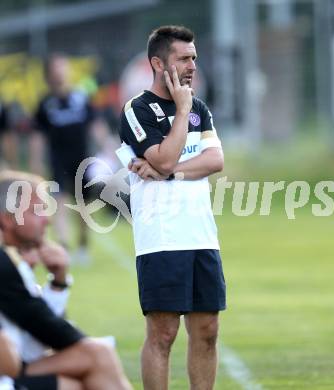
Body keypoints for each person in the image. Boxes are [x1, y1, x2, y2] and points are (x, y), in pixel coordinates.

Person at [119, 25, 226, 389]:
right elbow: (161, 159)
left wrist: (172, 175)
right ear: (158, 63)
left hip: (201, 235)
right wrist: (180, 112)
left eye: (194, 57)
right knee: (163, 334)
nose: (192, 65)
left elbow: (214, 160)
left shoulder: (199, 107)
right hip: (161, 238)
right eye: (183, 58)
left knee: (207, 330)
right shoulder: (137, 109)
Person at [0, 170, 132, 390]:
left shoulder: (11, 260)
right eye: (37, 211)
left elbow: (38, 331)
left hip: (13, 367)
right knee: (97, 355)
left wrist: (57, 282)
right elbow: (49, 335)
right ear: (7, 219)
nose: (47, 221)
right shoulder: (5, 265)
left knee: (80, 375)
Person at [31, 53, 98, 261]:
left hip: (81, 157)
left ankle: (82, 244)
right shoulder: (45, 103)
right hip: (57, 158)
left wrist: (109, 145)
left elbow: (95, 125)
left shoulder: (81, 96)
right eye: (57, 67)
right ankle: (63, 245)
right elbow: (38, 135)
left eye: (64, 67)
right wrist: (36, 160)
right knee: (59, 200)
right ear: (49, 74)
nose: (61, 71)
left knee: (83, 205)